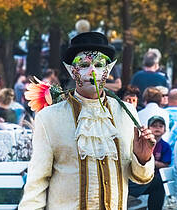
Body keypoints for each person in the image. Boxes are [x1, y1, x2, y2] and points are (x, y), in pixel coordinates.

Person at [19, 32, 156, 210]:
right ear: (71, 70)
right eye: (83, 65)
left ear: (108, 69)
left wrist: (143, 158)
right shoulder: (50, 117)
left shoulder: (126, 112)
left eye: (99, 65)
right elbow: (37, 181)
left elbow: (140, 177)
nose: (92, 71)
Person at [129, 116, 172, 210]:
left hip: (153, 179)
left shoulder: (165, 146)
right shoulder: (142, 142)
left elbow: (166, 164)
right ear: (148, 129)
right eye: (154, 126)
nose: (157, 128)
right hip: (137, 178)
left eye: (160, 126)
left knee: (158, 183)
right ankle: (130, 197)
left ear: (165, 130)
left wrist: (149, 160)